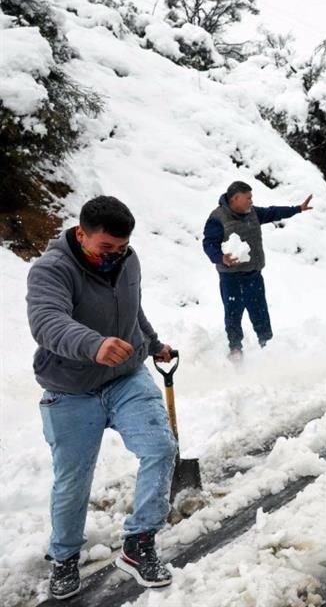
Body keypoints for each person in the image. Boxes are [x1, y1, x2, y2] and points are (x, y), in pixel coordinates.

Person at [26, 196, 179, 599]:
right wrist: (93, 344)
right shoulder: (51, 270)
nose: (114, 256)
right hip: (70, 387)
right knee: (73, 480)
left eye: (121, 247)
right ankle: (64, 558)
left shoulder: (129, 260)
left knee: (161, 448)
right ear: (81, 234)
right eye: (105, 248)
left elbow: (132, 310)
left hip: (126, 377)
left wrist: (153, 343)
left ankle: (139, 543)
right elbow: (47, 322)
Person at [201, 181, 313, 359]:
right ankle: (235, 349)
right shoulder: (218, 217)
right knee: (233, 315)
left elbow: (272, 212)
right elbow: (208, 244)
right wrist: (221, 258)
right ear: (235, 198)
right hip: (231, 277)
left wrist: (297, 208)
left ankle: (267, 346)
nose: (251, 201)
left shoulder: (252, 213)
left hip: (253, 275)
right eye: (248, 198)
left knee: (260, 312)